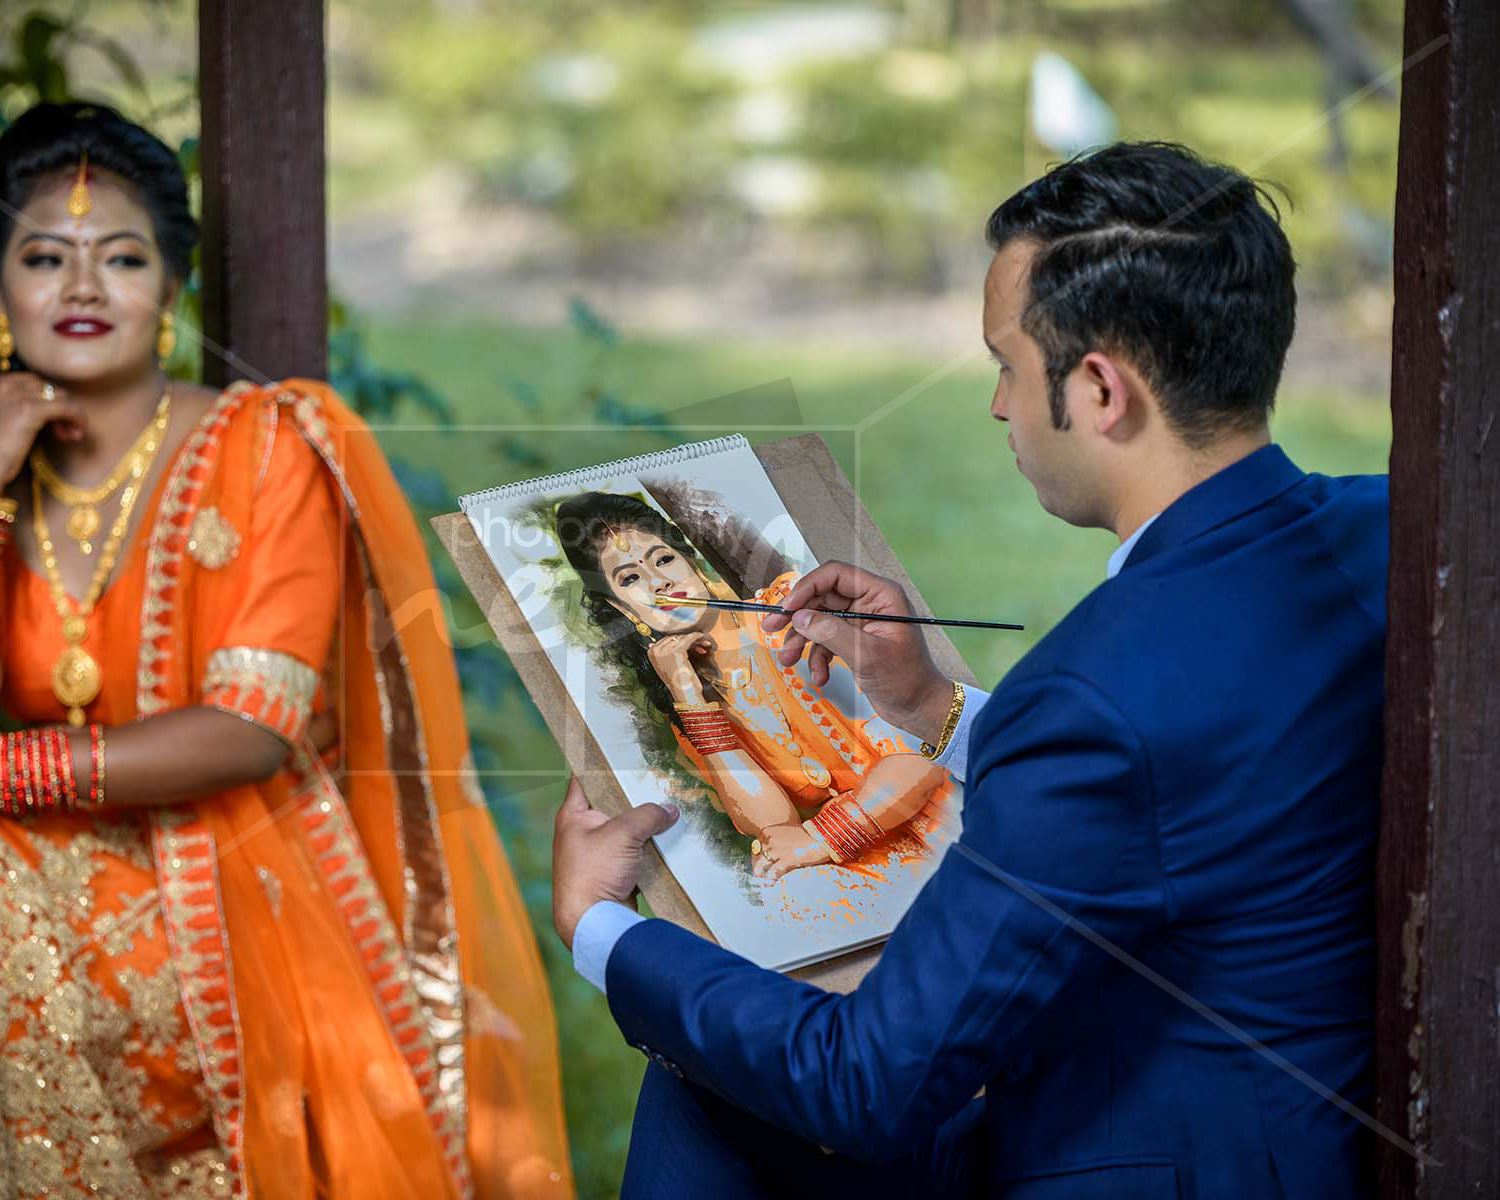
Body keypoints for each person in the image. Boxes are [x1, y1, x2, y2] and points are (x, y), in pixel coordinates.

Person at [0, 102, 572, 1200]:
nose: (82, 285)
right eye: (43, 257)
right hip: (42, 882)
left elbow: (253, 732)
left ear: (168, 292)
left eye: (121, 257)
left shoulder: (264, 447)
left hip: (230, 902)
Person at [551, 141, 1387, 1197]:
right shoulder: (1389, 529)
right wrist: (926, 704)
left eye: (1006, 363)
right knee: (718, 1082)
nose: (997, 405)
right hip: (1309, 1103)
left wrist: (605, 932)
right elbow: (1190, 752)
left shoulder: (1092, 696)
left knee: (721, 1086)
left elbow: (865, 1084)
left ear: (1098, 390)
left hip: (1162, 1152)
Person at [553, 491, 952, 879]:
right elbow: (773, 827)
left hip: (959, 810)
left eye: (664, 559)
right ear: (622, 608)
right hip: (888, 869)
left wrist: (820, 839)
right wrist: (689, 699)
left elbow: (923, 750)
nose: (658, 582)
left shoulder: (792, 618)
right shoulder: (691, 705)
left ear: (691, 562)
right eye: (631, 578)